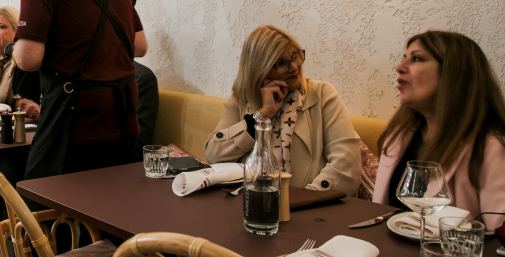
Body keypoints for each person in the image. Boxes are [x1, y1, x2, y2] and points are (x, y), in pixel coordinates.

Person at [12, 0, 147, 179]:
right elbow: (140, 46)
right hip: (122, 119)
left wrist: (16, 46)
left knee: (39, 196)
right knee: (106, 200)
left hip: (73, 120)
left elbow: (27, 59)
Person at [204, 25, 361, 197]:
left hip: (311, 205)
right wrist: (263, 115)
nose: (294, 67)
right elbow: (215, 156)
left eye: (295, 56)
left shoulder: (322, 94)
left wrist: (300, 201)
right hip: (251, 203)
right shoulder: (241, 99)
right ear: (260, 70)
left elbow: (347, 169)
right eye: (280, 63)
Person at [373, 31, 505, 230]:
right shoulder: (400, 134)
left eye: (417, 59)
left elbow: (500, 234)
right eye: (404, 58)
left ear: (453, 74)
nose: (399, 67)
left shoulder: (491, 144)